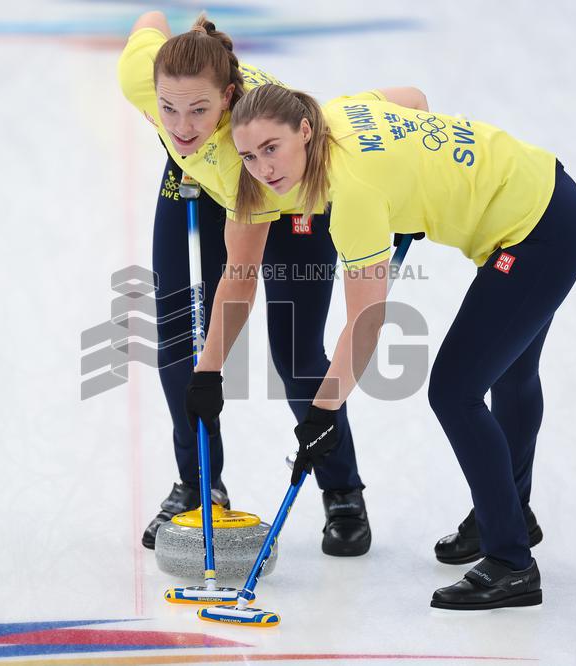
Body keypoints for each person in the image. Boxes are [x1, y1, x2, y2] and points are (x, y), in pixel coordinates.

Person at [201, 83, 576, 609]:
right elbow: (411, 97)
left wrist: (321, 413)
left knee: (455, 391)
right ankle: (508, 514)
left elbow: (365, 324)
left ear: (305, 130)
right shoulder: (339, 110)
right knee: (512, 373)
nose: (262, 169)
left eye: (272, 148)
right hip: (545, 192)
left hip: (538, 234)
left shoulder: (354, 197)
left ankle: (512, 563)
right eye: (248, 156)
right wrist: (414, 190)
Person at [117, 11, 428, 555]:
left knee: (295, 346)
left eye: (198, 110)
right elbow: (152, 21)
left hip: (284, 198)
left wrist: (407, 205)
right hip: (196, 183)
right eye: (167, 108)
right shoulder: (146, 78)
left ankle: (342, 492)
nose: (181, 125)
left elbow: (412, 102)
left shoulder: (264, 143)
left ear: (231, 97)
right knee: (176, 331)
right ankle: (199, 484)